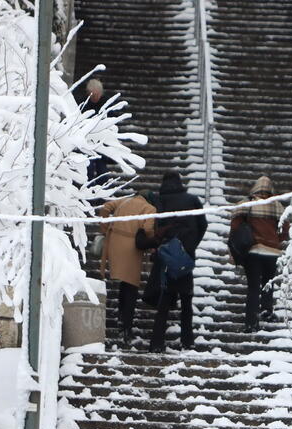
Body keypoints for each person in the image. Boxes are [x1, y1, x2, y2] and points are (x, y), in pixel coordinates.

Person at [148, 171, 208, 353]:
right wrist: (190, 246)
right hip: (185, 256)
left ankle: (157, 342)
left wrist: (160, 245)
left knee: (164, 301)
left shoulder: (158, 201)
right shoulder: (192, 200)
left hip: (165, 256)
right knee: (186, 300)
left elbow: (153, 225)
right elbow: (203, 224)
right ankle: (187, 340)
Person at [230, 176, 289, 333]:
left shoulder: (248, 203)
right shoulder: (277, 205)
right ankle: (267, 311)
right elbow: (285, 230)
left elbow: (235, 225)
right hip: (272, 252)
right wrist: (276, 239)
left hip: (254, 251)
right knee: (268, 283)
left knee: (254, 286)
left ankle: (251, 322)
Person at [99, 190, 156, 344]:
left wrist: (105, 229)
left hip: (114, 243)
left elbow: (105, 207)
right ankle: (126, 327)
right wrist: (150, 243)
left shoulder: (123, 201)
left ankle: (120, 319)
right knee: (131, 285)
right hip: (131, 248)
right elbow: (149, 229)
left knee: (124, 282)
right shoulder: (149, 208)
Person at [81, 79, 109, 185]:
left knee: (102, 170)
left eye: (97, 95)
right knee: (88, 169)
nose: (95, 98)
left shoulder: (107, 103)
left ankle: (102, 191)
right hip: (87, 141)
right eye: (92, 95)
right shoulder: (84, 103)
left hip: (102, 141)